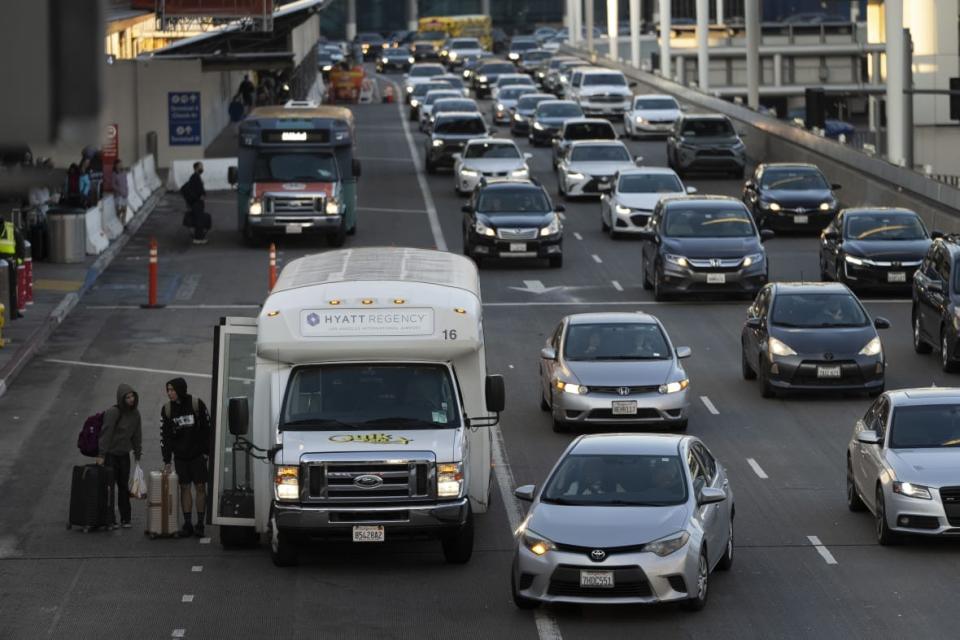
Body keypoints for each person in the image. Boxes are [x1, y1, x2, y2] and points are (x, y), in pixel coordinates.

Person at [160, 378, 211, 538]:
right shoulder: (167, 409)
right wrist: (167, 460)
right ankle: (188, 523)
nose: (170, 393)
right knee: (184, 488)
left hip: (198, 456)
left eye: (173, 390)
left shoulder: (196, 404)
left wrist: (206, 453)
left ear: (181, 390)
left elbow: (208, 430)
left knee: (201, 487)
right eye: (168, 390)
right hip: (180, 457)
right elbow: (165, 436)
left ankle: (200, 523)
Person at [96, 384, 143, 529]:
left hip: (124, 456)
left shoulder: (135, 414)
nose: (131, 400)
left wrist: (137, 452)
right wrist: (101, 454)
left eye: (132, 396)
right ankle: (109, 519)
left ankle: (126, 518)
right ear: (121, 399)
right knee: (109, 487)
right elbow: (106, 433)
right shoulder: (113, 412)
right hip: (110, 455)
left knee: (123, 487)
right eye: (127, 397)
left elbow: (136, 434)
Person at [180, 162, 209, 244]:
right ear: (196, 168)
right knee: (199, 220)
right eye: (201, 167)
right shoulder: (195, 177)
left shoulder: (195, 177)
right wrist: (202, 195)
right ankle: (198, 238)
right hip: (197, 202)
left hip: (195, 202)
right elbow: (199, 190)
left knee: (198, 219)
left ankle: (198, 237)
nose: (202, 168)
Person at [112, 160, 129, 224]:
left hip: (125, 194)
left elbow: (125, 182)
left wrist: (126, 191)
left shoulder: (124, 172)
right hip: (118, 195)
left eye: (121, 164)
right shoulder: (114, 174)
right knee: (119, 210)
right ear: (115, 166)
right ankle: (118, 223)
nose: (120, 165)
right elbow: (113, 185)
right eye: (119, 164)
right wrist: (120, 191)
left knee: (124, 209)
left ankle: (123, 222)